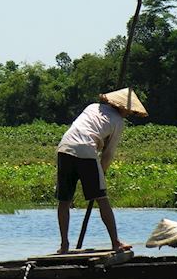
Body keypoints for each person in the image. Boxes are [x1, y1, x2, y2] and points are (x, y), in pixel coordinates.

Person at [55, 87, 148, 254]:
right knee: (102, 198)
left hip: (64, 148)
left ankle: (64, 246)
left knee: (64, 200)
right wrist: (102, 172)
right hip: (86, 152)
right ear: (122, 107)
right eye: (128, 111)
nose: (128, 114)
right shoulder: (118, 122)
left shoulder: (92, 107)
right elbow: (108, 153)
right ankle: (116, 242)